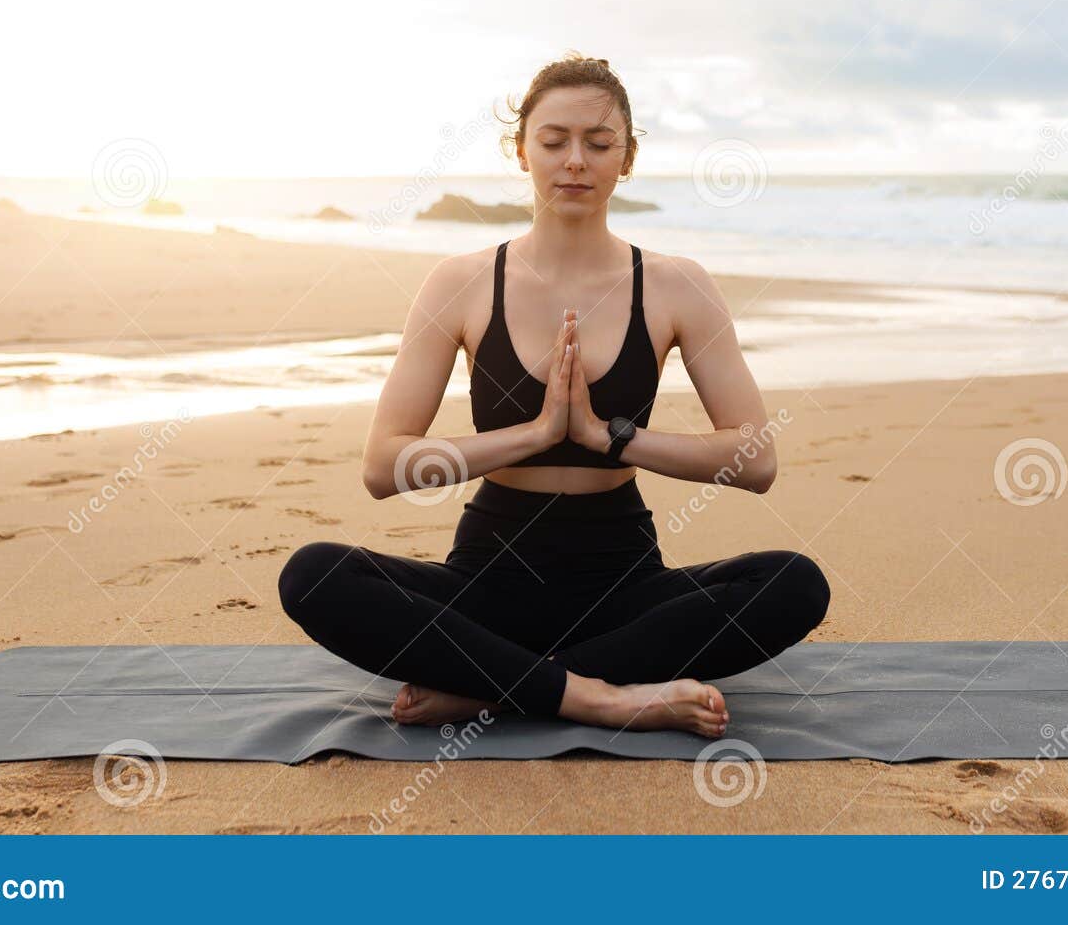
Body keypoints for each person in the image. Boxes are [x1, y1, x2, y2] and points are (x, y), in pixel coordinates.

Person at [278, 52, 830, 737]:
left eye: (599, 144)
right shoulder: (461, 282)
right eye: (553, 141)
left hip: (623, 581)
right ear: (521, 152)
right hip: (488, 579)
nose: (575, 160)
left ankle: (498, 686)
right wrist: (534, 435)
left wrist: (611, 436)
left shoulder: (675, 285)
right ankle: (602, 696)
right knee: (313, 576)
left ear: (626, 159)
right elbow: (382, 467)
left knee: (795, 584)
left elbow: (755, 461)